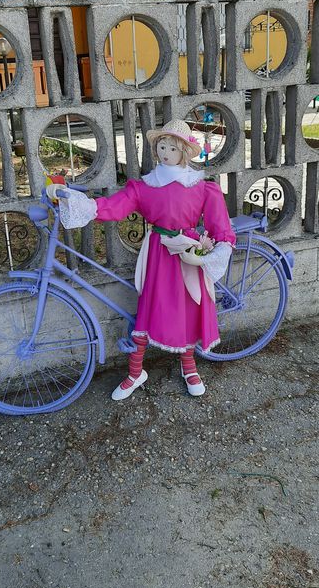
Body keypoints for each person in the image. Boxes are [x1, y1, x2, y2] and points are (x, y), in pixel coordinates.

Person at [48, 119, 236, 402]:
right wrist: (71, 199)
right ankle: (136, 371)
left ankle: (189, 366)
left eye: (172, 147)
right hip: (159, 254)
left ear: (184, 151)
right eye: (161, 146)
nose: (164, 152)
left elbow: (220, 225)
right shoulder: (145, 186)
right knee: (148, 309)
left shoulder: (200, 185)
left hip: (187, 254)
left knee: (187, 308)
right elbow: (111, 206)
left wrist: (219, 248)